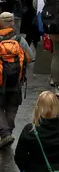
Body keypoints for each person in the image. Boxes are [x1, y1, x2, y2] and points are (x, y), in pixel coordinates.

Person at [0, 12, 33, 149]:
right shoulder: (20, 40)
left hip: (0, 81)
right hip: (15, 81)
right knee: (12, 107)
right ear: (12, 23)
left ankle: (5, 133)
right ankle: (8, 132)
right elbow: (30, 57)